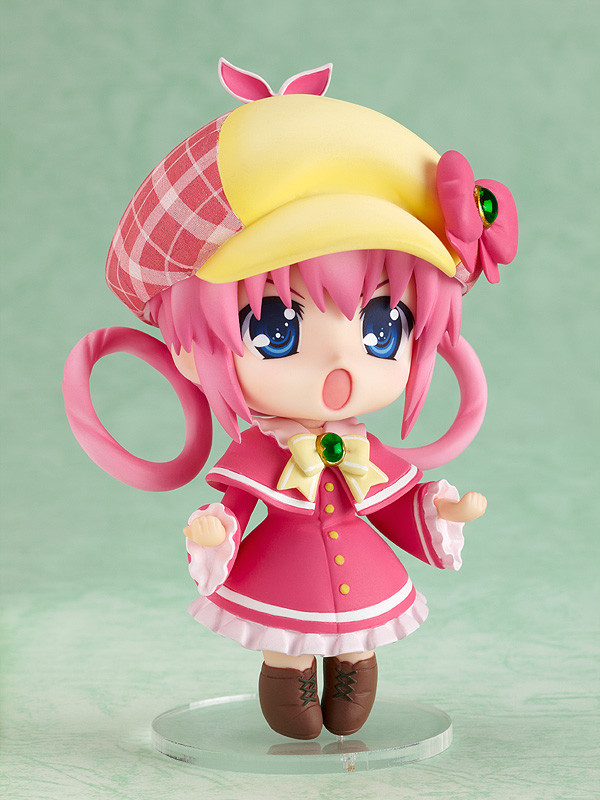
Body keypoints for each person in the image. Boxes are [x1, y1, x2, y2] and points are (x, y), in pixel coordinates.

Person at [63, 59, 518, 740]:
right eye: (275, 328)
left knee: (359, 648)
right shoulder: (262, 451)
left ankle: (353, 672)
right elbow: (237, 504)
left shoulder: (364, 448)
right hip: (284, 574)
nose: (342, 362)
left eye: (382, 327)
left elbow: (393, 504)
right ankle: (292, 680)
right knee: (289, 648)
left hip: (363, 572)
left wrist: (440, 509)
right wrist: (217, 528)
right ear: (187, 348)